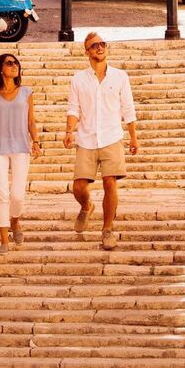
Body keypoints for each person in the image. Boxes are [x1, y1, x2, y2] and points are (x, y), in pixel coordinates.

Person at [63, 32, 138, 251]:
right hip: (86, 137)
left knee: (109, 182)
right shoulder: (78, 79)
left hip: (112, 136)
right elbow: (73, 108)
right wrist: (69, 130)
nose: (99, 47)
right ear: (87, 52)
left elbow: (127, 108)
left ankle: (107, 230)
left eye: (102, 44)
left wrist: (133, 136)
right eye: (94, 45)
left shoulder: (120, 77)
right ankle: (86, 206)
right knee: (78, 187)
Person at [0, 53, 40, 253]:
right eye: (10, 63)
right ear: (0, 68)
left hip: (21, 147)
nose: (15, 66)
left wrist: (36, 141)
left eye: (16, 63)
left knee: (18, 195)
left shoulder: (26, 93)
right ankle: (4, 240)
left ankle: (15, 221)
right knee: (2, 194)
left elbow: (31, 121)